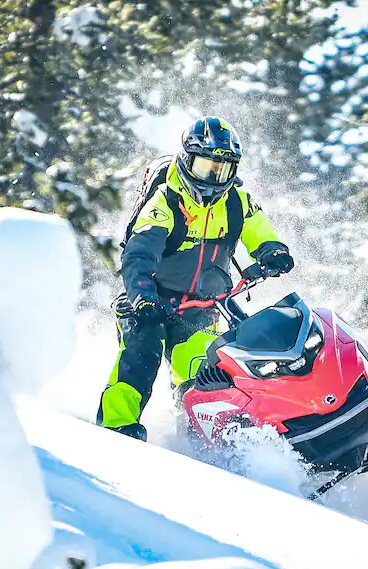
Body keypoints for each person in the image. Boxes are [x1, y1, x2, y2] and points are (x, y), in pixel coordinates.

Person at [97, 116, 294, 441]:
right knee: (141, 354)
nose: (214, 178)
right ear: (187, 161)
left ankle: (202, 445)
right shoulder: (165, 202)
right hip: (149, 303)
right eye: (207, 167)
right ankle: (116, 430)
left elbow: (259, 230)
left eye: (223, 169)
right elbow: (139, 254)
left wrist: (272, 252)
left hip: (202, 308)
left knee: (205, 373)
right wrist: (144, 296)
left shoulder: (236, 201)